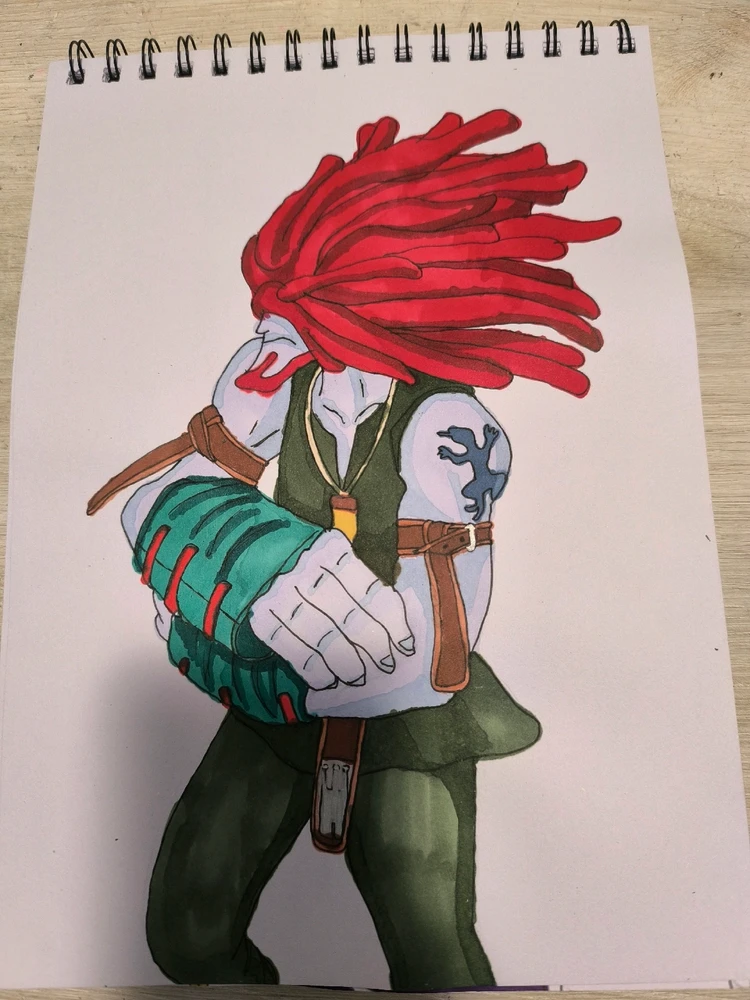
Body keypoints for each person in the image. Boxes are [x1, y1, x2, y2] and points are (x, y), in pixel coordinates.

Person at [88, 110, 620, 990]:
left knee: (437, 963)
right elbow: (167, 498)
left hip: (410, 725)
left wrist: (261, 642)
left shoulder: (447, 430)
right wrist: (244, 573)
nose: (271, 336)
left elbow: (431, 652)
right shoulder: (278, 376)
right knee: (185, 933)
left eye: (294, 314)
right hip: (277, 701)